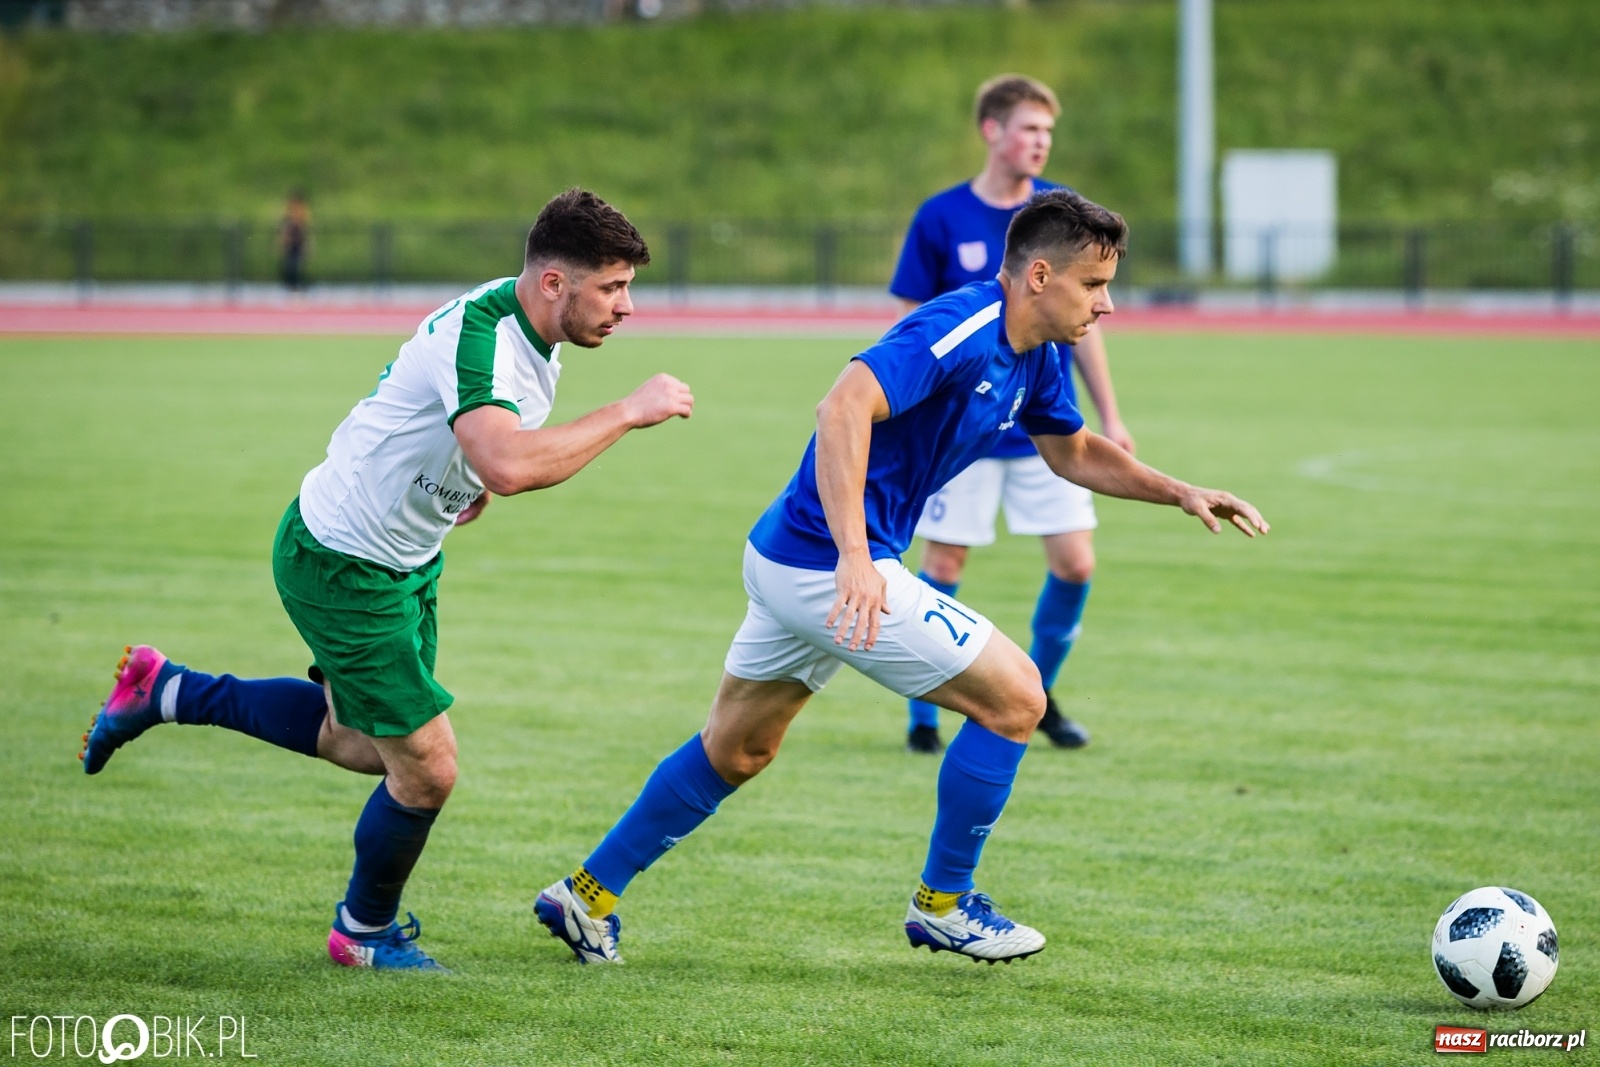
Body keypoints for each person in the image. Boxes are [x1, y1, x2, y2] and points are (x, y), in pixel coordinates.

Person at [534, 190, 1266, 966]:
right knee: (1019, 697)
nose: (1107, 304)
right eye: (1094, 284)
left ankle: (585, 893)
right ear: (1040, 276)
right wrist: (856, 556)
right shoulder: (963, 326)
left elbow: (1073, 450)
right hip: (828, 563)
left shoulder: (1040, 353)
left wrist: (1179, 490)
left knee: (738, 749)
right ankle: (944, 903)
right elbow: (841, 407)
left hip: (792, 557)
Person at [78, 189, 694, 972]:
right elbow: (508, 463)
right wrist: (628, 411)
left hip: (403, 560)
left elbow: (476, 444)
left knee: (361, 744)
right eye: (612, 287)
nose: (627, 306)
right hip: (343, 561)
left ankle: (164, 689)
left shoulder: (532, 332)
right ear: (553, 282)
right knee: (428, 766)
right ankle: (362, 931)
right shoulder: (483, 334)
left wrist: (459, 483)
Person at [890, 74, 1135, 755]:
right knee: (945, 562)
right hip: (964, 432)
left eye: (1048, 131)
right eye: (1029, 128)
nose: (1040, 141)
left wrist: (1110, 414)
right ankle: (923, 717)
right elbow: (911, 326)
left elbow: (1088, 321)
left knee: (1076, 563)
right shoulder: (941, 217)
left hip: (1041, 425)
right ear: (992, 131)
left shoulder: (1063, 217)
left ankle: (1040, 694)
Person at [279, 189, 311, 292]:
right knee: (289, 265)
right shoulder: (288, 216)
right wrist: (283, 241)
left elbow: (305, 231)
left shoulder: (303, 215)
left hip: (298, 244)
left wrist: (307, 245)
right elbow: (285, 230)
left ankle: (297, 285)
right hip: (290, 244)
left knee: (297, 265)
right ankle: (291, 285)